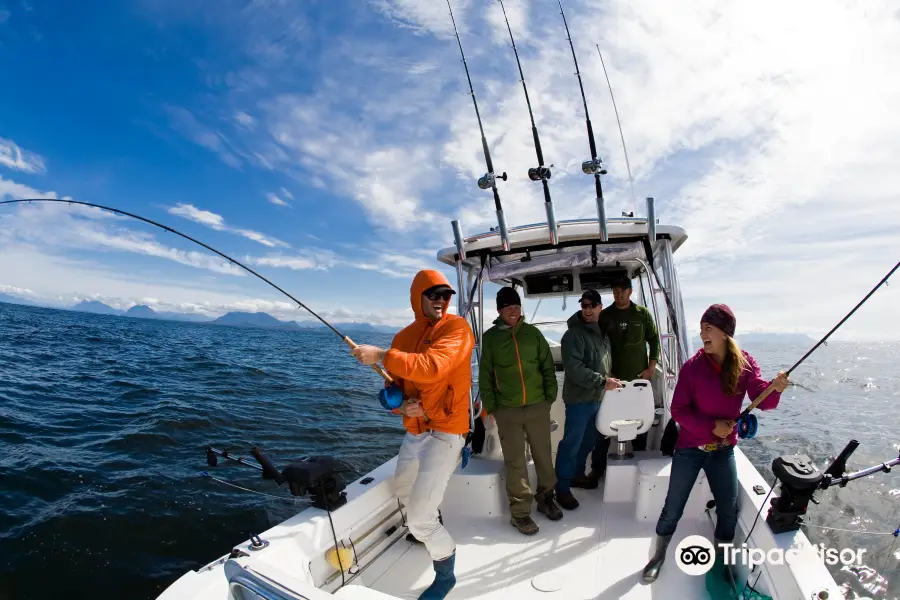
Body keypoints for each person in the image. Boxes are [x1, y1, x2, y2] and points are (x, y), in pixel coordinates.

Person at [642, 304, 789, 584]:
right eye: (701, 328)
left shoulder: (745, 364)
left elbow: (763, 400)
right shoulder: (692, 367)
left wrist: (776, 387)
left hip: (723, 452)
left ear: (725, 333)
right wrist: (713, 427)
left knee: (728, 509)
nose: (702, 334)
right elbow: (679, 410)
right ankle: (657, 556)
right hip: (689, 449)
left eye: (707, 328)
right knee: (673, 506)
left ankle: (720, 563)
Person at [351, 269, 475, 600]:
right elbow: (393, 391)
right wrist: (401, 406)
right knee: (405, 492)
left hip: (447, 431)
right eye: (433, 294)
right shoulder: (402, 338)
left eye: (446, 295)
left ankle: (445, 575)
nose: (440, 300)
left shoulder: (458, 329)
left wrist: (378, 355)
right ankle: (430, 522)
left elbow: (434, 365)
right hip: (415, 432)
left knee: (419, 518)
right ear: (417, 297)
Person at [479, 286, 563, 535]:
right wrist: (493, 406)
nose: (513, 311)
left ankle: (546, 498)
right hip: (508, 411)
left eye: (516, 306)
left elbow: (547, 367)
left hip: (538, 406)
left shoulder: (533, 334)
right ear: (499, 310)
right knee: (516, 463)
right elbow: (485, 375)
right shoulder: (491, 338)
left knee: (544, 457)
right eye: (508, 307)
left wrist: (549, 397)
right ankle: (520, 514)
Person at [573, 276, 661, 489]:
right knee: (603, 429)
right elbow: (587, 328)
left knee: (639, 424)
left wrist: (651, 367)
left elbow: (654, 339)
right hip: (610, 382)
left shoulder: (642, 314)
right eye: (615, 289)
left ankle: (639, 466)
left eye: (622, 289)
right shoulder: (605, 315)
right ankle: (597, 469)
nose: (618, 293)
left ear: (630, 291)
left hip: (638, 382)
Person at [554, 289, 624, 510]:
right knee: (571, 444)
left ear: (600, 307)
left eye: (592, 305)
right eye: (584, 305)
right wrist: (603, 381)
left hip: (597, 399)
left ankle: (576, 475)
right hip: (579, 401)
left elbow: (603, 363)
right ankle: (562, 489)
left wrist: (609, 379)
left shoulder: (601, 334)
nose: (587, 309)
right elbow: (574, 369)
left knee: (589, 441)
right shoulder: (574, 335)